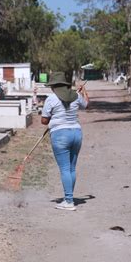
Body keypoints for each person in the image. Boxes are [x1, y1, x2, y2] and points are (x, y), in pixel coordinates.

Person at [41, 72, 89, 211]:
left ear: (54, 87)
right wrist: (84, 91)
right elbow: (86, 105)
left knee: (64, 169)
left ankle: (68, 201)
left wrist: (53, 118)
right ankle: (69, 198)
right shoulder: (76, 96)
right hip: (76, 133)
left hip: (60, 135)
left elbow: (44, 120)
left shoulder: (51, 99)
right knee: (71, 168)